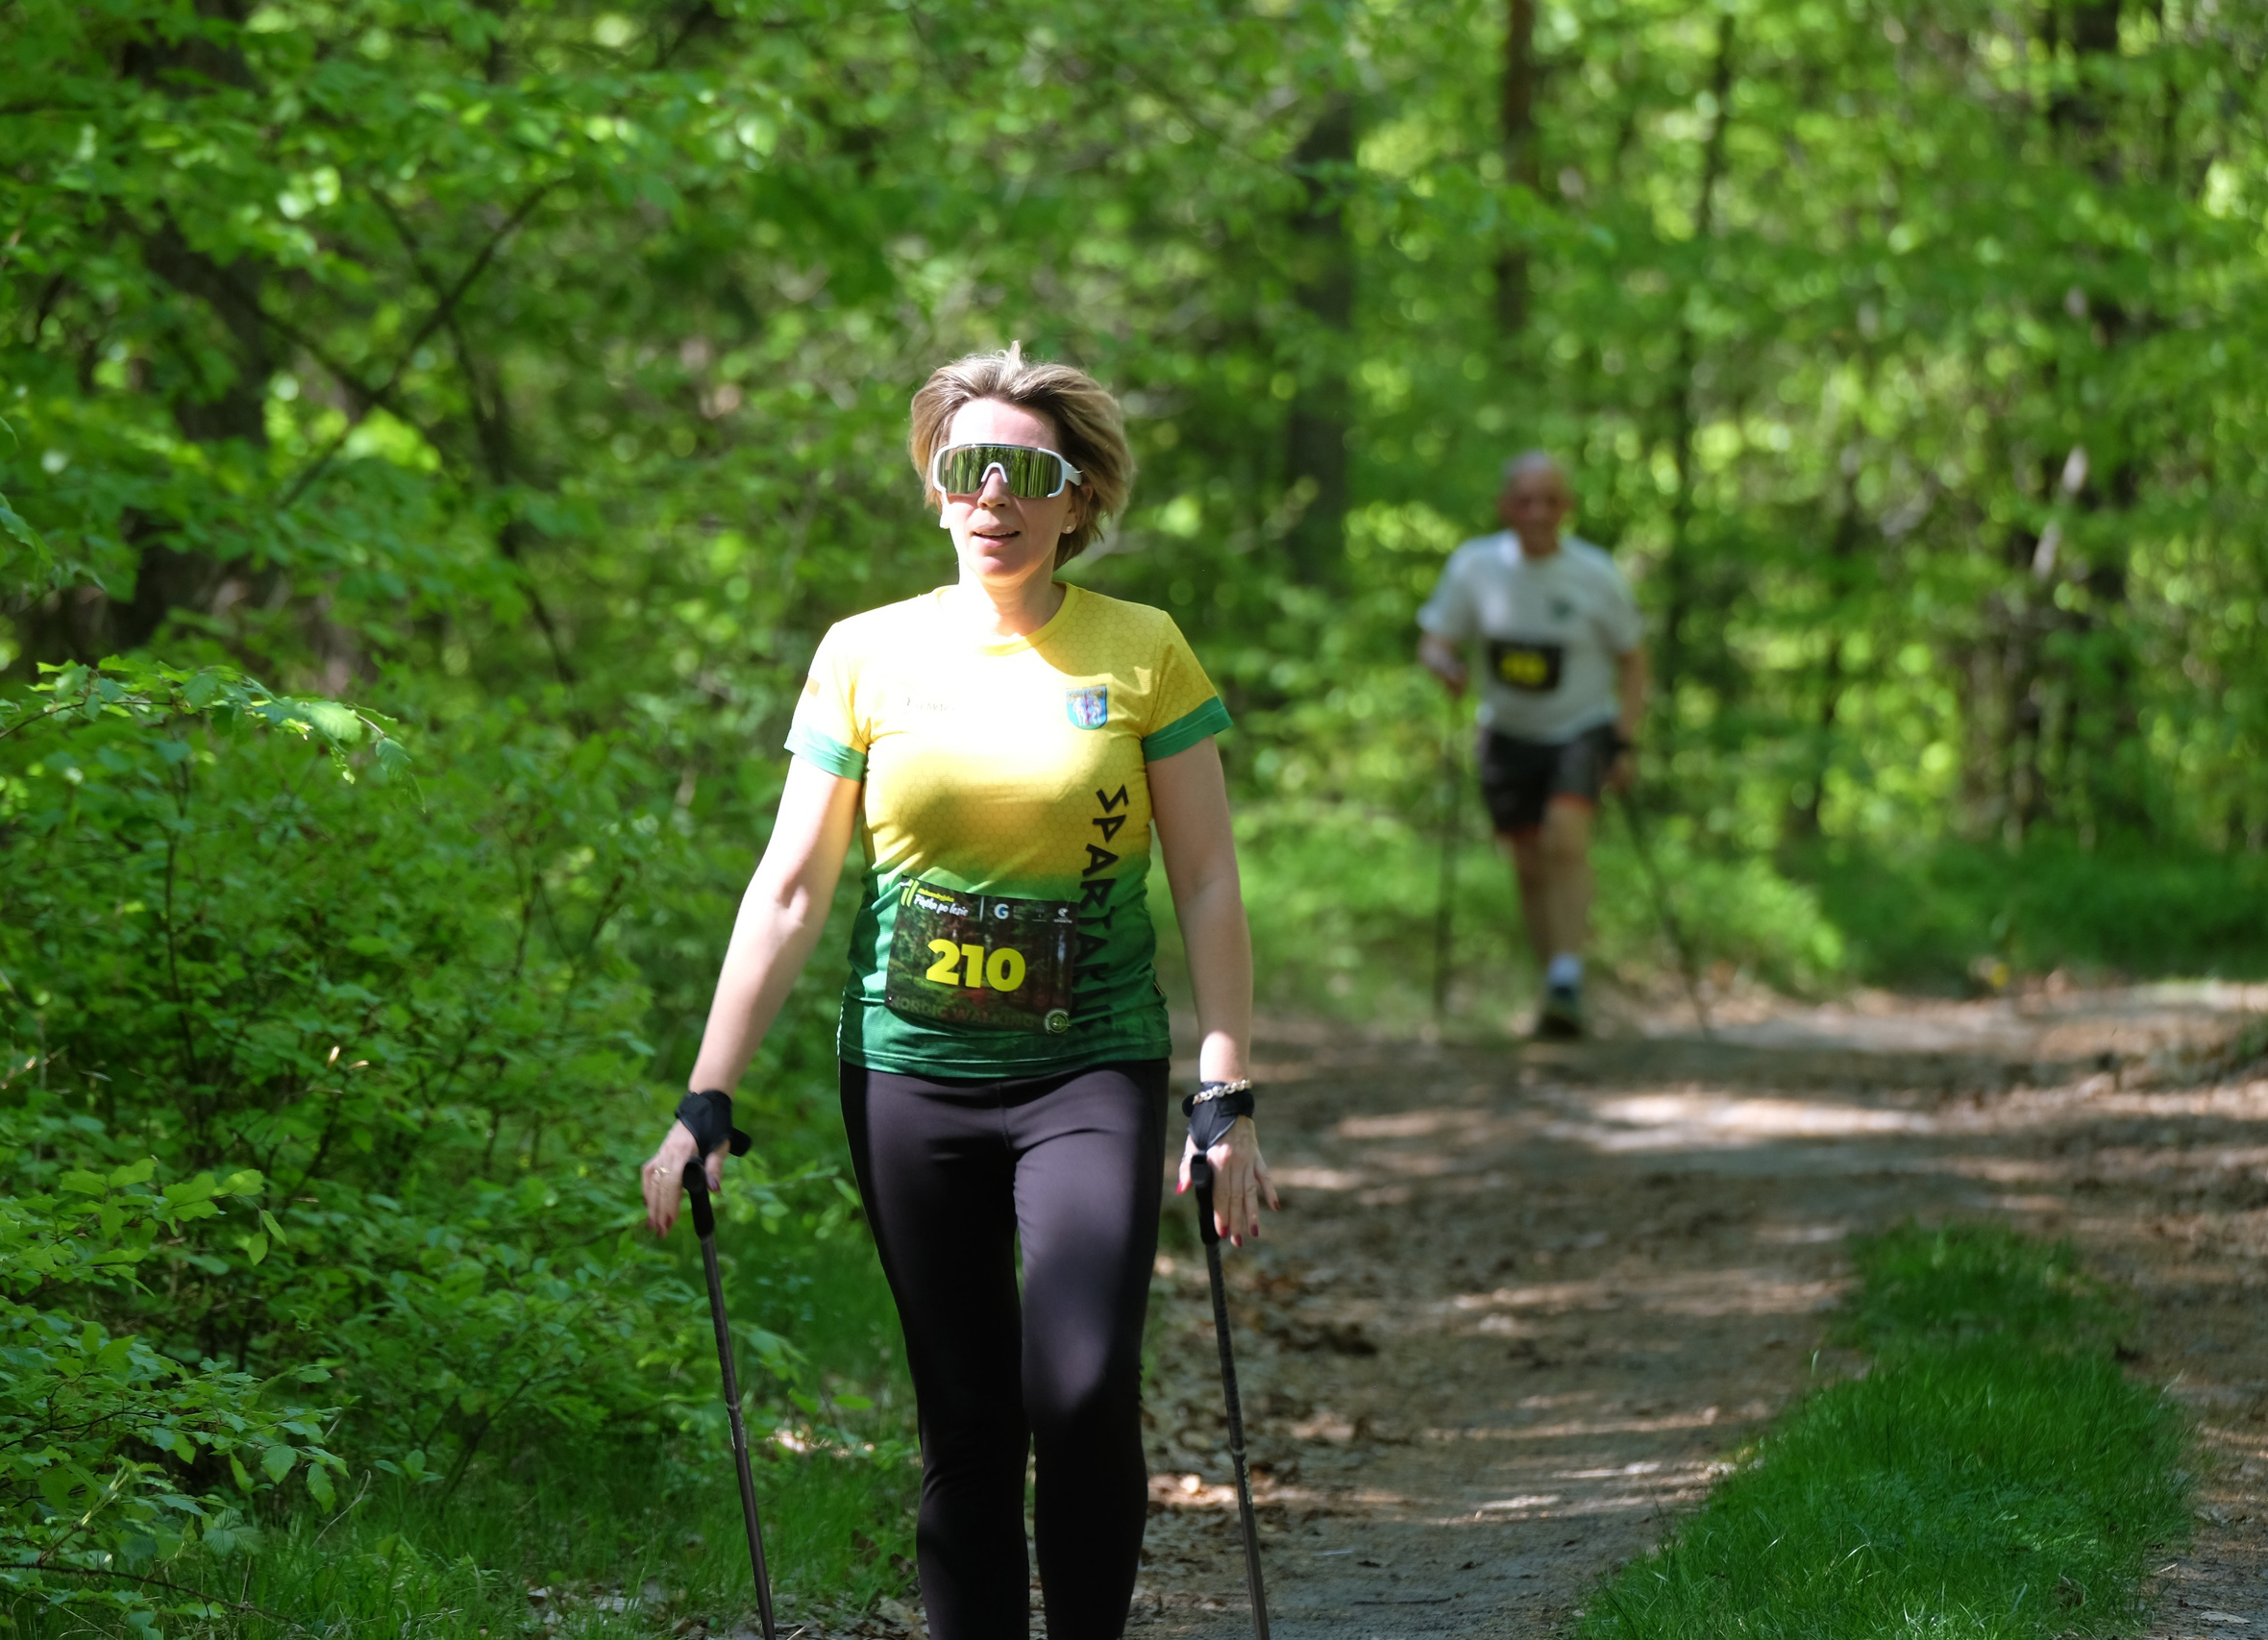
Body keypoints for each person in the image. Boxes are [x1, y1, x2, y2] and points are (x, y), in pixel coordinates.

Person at [638, 345, 1276, 1640]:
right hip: (906, 1076)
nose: (994, 495)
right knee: (968, 1409)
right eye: (965, 467)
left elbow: (1208, 880)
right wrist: (706, 1094)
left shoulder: (1142, 649)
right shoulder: (866, 653)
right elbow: (791, 888)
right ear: (934, 488)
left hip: (1087, 1066)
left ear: (1078, 497)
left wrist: (1226, 1088)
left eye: (1026, 472)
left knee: (1082, 1384)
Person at [1418, 451, 1647, 1039]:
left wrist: (1624, 741)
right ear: (1504, 505)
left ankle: (1568, 976)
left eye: (1549, 500)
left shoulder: (1595, 574)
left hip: (1580, 728)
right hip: (1507, 732)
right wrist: (1444, 663)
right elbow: (1435, 639)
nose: (1537, 512)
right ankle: (1554, 990)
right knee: (1526, 863)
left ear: (1567, 507)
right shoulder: (1475, 565)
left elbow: (1634, 659)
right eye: (1525, 499)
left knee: (1564, 841)